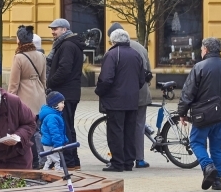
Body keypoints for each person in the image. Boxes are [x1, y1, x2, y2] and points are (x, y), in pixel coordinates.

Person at [178, 37, 221, 191]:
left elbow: (188, 93)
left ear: (206, 49)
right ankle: (217, 181)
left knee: (196, 142)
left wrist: (182, 112)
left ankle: (208, 166)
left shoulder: (199, 67)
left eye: (202, 49)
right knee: (217, 147)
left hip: (203, 115)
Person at [96, 28, 145, 172]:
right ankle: (128, 162)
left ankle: (117, 163)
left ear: (113, 41)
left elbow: (106, 78)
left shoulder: (112, 54)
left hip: (115, 101)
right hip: (132, 100)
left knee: (115, 132)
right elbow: (141, 79)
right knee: (130, 132)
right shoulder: (136, 54)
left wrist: (99, 91)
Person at [107, 22, 152, 168]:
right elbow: (148, 71)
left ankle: (121, 158)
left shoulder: (115, 51)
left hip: (122, 95)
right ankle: (138, 158)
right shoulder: (140, 47)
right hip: (141, 92)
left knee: (120, 127)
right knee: (138, 125)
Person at [45, 18, 85, 169]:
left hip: (65, 93)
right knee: (68, 127)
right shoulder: (69, 44)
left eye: (55, 29)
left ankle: (68, 161)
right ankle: (73, 161)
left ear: (64, 29)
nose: (52, 32)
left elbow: (64, 69)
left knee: (65, 128)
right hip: (70, 92)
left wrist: (50, 82)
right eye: (52, 29)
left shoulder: (67, 45)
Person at [9, 25, 47, 169]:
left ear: (19, 40)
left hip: (25, 98)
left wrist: (10, 102)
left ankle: (34, 160)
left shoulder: (19, 57)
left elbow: (14, 83)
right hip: (39, 96)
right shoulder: (41, 55)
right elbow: (43, 80)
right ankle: (42, 158)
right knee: (37, 129)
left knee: (27, 131)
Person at [39, 91, 68, 170]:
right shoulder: (52, 117)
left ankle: (45, 171)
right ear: (54, 104)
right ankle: (59, 171)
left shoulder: (55, 115)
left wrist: (64, 139)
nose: (63, 105)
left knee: (50, 159)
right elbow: (54, 132)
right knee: (57, 159)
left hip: (49, 142)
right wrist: (58, 144)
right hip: (51, 143)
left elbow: (60, 131)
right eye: (61, 103)